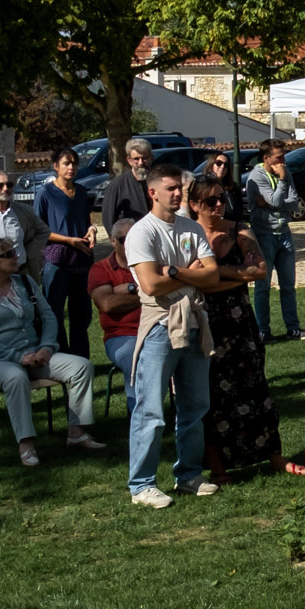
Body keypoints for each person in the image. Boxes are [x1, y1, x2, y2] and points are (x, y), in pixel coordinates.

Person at [190, 181, 305, 480]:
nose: (219, 205)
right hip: (204, 321)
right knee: (211, 393)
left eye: (222, 198)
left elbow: (260, 270)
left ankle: (274, 456)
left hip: (240, 322)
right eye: (210, 201)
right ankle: (217, 466)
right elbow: (189, 279)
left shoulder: (239, 230)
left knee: (254, 387)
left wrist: (214, 273)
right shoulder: (187, 234)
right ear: (194, 205)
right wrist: (232, 276)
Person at [123, 163, 221, 507]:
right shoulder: (142, 233)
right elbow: (150, 284)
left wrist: (174, 272)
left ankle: (189, 474)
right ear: (152, 192)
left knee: (195, 404)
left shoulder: (191, 228)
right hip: (159, 325)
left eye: (180, 187)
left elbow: (213, 276)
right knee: (150, 409)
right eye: (171, 188)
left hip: (193, 321)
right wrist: (188, 273)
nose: (179, 193)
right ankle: (141, 485)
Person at [0, 232, 101, 466]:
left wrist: (46, 348)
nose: (15, 257)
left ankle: (77, 433)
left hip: (36, 355)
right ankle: (26, 445)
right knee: (15, 376)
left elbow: (49, 317)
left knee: (81, 366)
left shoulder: (24, 282)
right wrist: (19, 357)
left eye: (14, 251)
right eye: (8, 254)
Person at [34, 147, 98, 358]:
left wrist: (91, 230)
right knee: (54, 314)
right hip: (57, 261)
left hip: (81, 260)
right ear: (56, 166)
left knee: (82, 315)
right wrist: (68, 240)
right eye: (66, 163)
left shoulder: (81, 192)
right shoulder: (45, 193)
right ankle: (61, 358)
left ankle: (81, 359)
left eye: (74, 163)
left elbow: (86, 221)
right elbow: (39, 229)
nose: (71, 167)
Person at [245, 139, 305, 342]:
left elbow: (293, 203)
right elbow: (276, 199)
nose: (283, 161)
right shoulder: (257, 177)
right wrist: (281, 182)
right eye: (279, 157)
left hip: (285, 234)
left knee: (288, 285)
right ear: (266, 158)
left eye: (284, 156)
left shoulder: (285, 171)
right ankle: (264, 331)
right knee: (263, 287)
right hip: (264, 235)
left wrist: (273, 202)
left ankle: (293, 328)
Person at [88, 213, 143, 415]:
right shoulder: (100, 269)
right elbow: (107, 304)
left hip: (156, 330)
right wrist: (147, 295)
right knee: (136, 358)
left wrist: (128, 290)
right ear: (112, 241)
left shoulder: (150, 264)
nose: (129, 244)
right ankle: (139, 417)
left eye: (134, 239)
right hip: (121, 336)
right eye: (123, 240)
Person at [103, 137, 155, 228]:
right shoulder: (117, 185)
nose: (141, 163)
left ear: (150, 158)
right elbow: (108, 219)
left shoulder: (159, 182)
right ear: (129, 161)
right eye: (136, 159)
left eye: (144, 158)